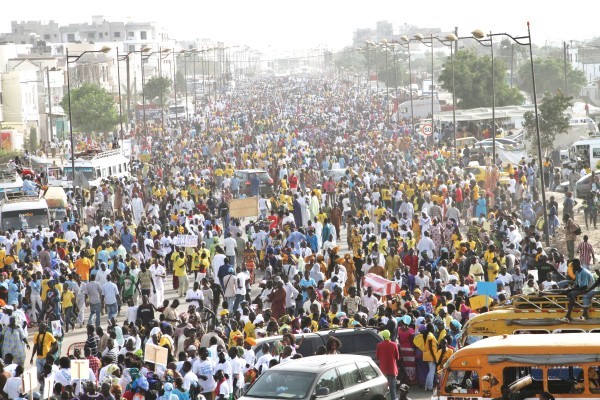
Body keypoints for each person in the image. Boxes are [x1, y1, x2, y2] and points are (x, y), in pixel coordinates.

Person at [376, 330, 399, 400]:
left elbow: (377, 357)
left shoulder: (379, 345)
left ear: (383, 336)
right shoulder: (394, 344)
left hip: (383, 369)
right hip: (392, 369)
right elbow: (397, 357)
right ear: (389, 336)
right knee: (392, 387)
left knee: (383, 388)